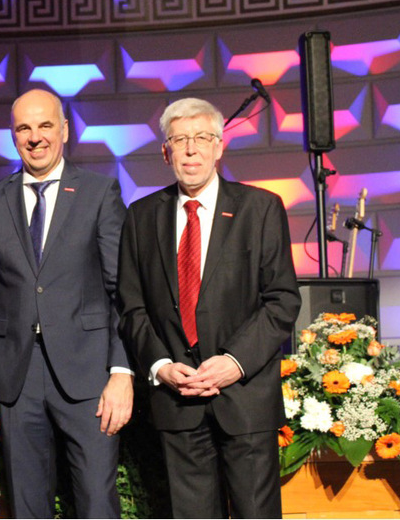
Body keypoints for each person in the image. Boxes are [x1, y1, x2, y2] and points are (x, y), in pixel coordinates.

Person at [117, 98, 301, 518]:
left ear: (219, 147)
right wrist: (160, 364)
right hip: (176, 400)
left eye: (202, 138)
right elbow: (131, 306)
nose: (190, 149)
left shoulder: (261, 208)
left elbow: (282, 300)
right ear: (165, 152)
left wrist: (235, 362)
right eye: (179, 140)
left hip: (245, 396)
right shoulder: (141, 217)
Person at [0, 88, 132, 518]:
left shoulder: (100, 192)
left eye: (45, 125)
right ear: (13, 135)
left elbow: (122, 291)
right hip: (15, 378)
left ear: (64, 130)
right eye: (24, 128)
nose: (35, 137)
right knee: (26, 507)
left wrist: (121, 371)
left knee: (97, 503)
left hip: (90, 375)